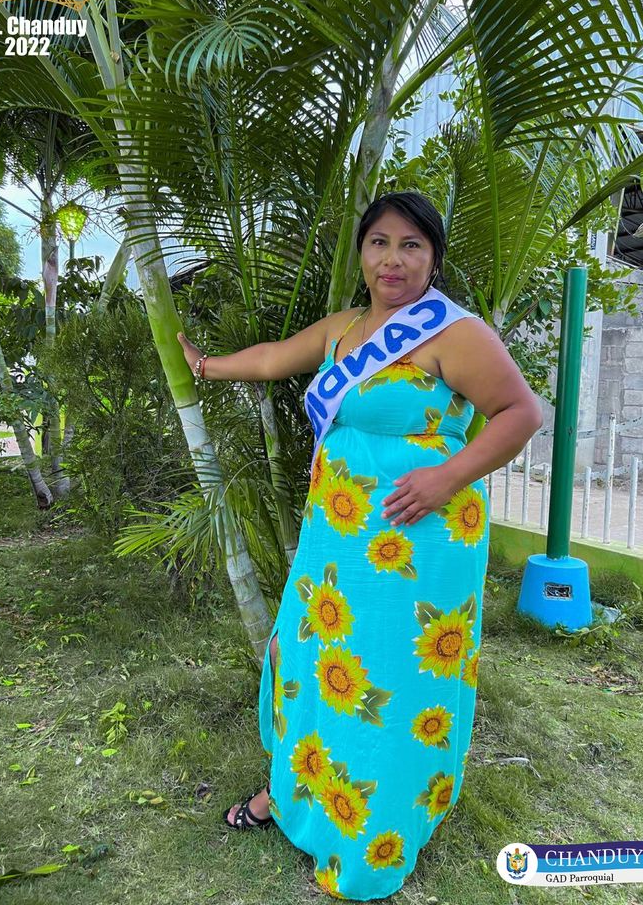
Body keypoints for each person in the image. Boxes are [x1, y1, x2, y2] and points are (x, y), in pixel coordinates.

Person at [177, 191, 543, 900]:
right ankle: (296, 792)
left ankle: (374, 834)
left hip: (419, 535)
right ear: (362, 253)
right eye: (380, 242)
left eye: (411, 245)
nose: (393, 259)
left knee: (391, 679)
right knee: (313, 657)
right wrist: (205, 365)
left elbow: (521, 412)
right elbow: (275, 359)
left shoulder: (454, 332)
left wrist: (446, 477)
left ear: (433, 256)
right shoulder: (345, 327)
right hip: (340, 533)